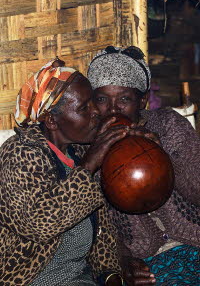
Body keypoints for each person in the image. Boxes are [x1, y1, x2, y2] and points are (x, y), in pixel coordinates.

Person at [0, 57, 130, 286]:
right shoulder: (19, 153)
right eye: (84, 107)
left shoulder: (77, 152)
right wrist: (88, 166)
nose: (96, 113)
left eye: (92, 103)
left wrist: (110, 275)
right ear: (51, 120)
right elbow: (40, 223)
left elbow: (103, 234)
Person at [88, 46, 200, 285]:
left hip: (195, 241)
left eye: (124, 99)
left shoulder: (168, 125)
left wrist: (161, 156)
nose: (113, 109)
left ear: (143, 101)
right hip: (146, 259)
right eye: (102, 99)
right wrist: (121, 259)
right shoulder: (87, 148)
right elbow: (95, 226)